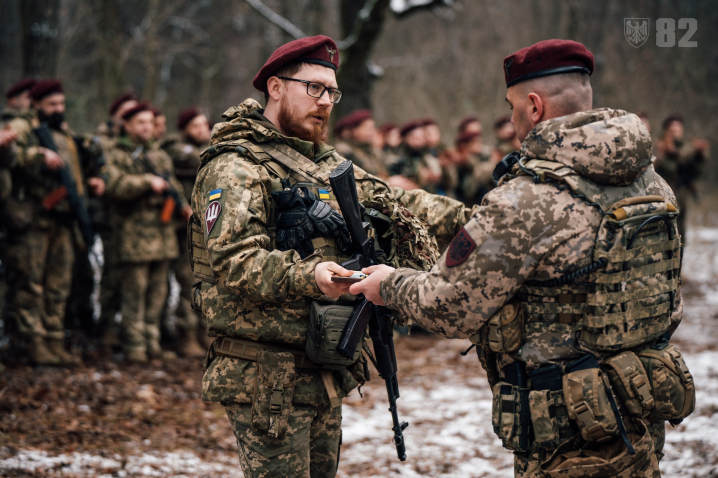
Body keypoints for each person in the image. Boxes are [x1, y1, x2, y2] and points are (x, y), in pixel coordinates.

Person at [351, 39, 692, 477]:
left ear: (534, 106)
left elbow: (448, 305)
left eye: (512, 107)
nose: (512, 121)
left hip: (568, 431)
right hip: (640, 408)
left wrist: (388, 285)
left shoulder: (524, 199)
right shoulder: (651, 183)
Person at [191, 35, 471, 477]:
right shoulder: (236, 166)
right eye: (314, 88)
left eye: (331, 92)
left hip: (322, 362)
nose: (325, 102)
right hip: (266, 371)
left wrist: (481, 220)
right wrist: (310, 275)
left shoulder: (321, 162)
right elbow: (234, 261)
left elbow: (398, 201)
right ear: (276, 87)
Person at [5, 79, 105, 366]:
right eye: (52, 104)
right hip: (35, 217)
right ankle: (33, 342)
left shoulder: (64, 132)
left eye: (61, 104)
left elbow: (77, 170)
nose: (58, 109)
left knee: (59, 285)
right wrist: (38, 154)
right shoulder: (23, 127)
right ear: (35, 104)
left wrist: (95, 179)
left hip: (64, 217)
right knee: (32, 283)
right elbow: (10, 157)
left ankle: (53, 339)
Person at [104, 102, 191, 363]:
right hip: (134, 234)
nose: (147, 127)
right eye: (140, 122)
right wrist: (145, 182)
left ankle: (152, 341)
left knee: (158, 291)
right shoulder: (117, 153)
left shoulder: (160, 155)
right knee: (135, 291)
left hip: (162, 233)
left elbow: (173, 185)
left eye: (150, 123)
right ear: (127, 125)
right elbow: (114, 184)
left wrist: (185, 207)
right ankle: (134, 344)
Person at [160, 106, 211, 357]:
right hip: (186, 230)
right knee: (189, 282)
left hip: (207, 229)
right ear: (184, 130)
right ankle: (186, 335)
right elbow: (194, 159)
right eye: (196, 126)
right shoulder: (175, 148)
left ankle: (204, 332)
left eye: (205, 125)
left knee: (208, 283)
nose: (203, 131)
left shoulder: (209, 149)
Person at [95, 92, 140, 347]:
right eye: (125, 113)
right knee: (111, 274)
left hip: (134, 219)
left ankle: (126, 328)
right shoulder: (103, 142)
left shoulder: (136, 142)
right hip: (109, 215)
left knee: (130, 278)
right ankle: (107, 326)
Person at [654, 113, 708, 241]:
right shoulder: (661, 148)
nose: (676, 131)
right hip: (663, 199)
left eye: (678, 128)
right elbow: (671, 167)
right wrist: (690, 150)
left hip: (681, 199)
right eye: (673, 129)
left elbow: (696, 173)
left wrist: (699, 156)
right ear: (667, 131)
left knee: (681, 238)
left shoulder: (683, 147)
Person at [333, 109, 388, 178]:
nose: (372, 132)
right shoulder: (344, 150)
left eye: (372, 128)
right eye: (367, 128)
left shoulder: (371, 150)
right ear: (354, 130)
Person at [389, 120, 442, 191]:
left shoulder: (425, 155)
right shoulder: (397, 155)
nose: (418, 142)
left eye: (421, 137)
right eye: (415, 137)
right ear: (405, 138)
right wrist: (421, 174)